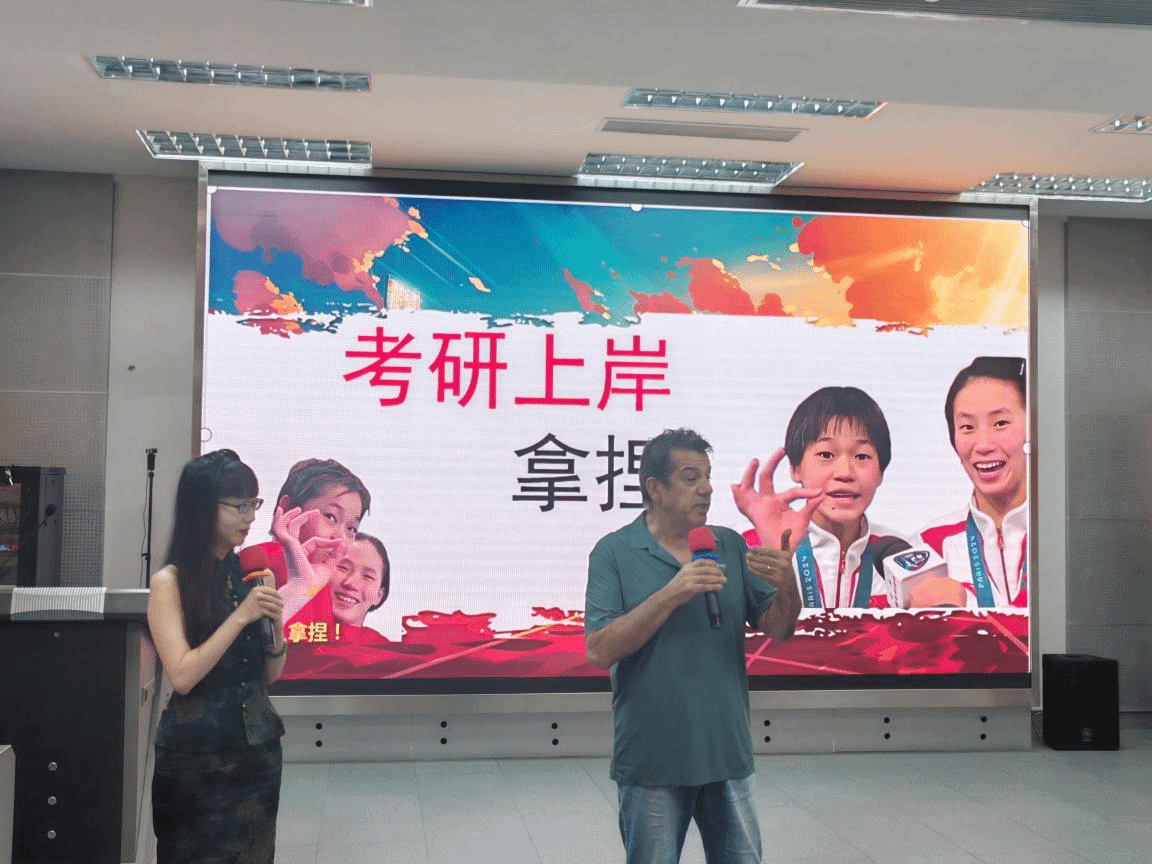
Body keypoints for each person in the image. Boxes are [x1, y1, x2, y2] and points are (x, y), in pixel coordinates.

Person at [584, 428, 800, 864]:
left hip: (726, 751)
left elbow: (779, 628)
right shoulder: (614, 552)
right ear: (655, 488)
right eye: (690, 478)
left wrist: (787, 583)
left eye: (707, 476)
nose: (706, 489)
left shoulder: (728, 545)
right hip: (652, 759)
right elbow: (600, 651)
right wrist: (673, 593)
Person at [146, 449, 287, 863]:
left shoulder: (248, 575)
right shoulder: (169, 582)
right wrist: (240, 617)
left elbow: (271, 675)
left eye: (253, 504)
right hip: (196, 759)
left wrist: (275, 625)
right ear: (202, 508)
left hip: (257, 750)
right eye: (238, 506)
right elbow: (181, 676)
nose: (250, 516)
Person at [734, 386, 919, 608]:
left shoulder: (904, 556)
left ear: (880, 472)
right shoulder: (745, 546)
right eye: (826, 454)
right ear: (795, 468)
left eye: (862, 456)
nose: (845, 473)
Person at [920, 356, 1028, 608]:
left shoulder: (1069, 537)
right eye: (967, 427)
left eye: (1000, 423)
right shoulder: (929, 548)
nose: (983, 445)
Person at [256, 458, 371, 608]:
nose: (340, 539)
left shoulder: (321, 588)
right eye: (330, 517)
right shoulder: (255, 565)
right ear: (286, 508)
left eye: (351, 529)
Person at [284, 531, 391, 645]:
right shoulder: (288, 631)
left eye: (368, 576)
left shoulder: (383, 650)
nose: (351, 583)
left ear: (379, 596)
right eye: (342, 568)